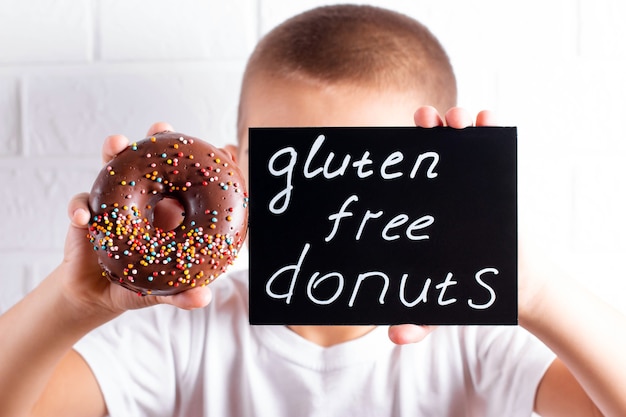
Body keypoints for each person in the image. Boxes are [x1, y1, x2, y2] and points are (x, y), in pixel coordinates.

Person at [1, 4, 625, 417]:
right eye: (296, 166)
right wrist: (71, 302)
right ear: (234, 174)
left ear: (429, 183)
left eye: (370, 170)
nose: (337, 206)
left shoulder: (474, 345)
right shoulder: (183, 335)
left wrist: (533, 290)